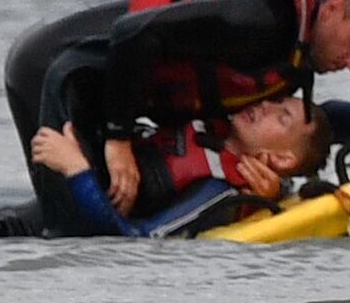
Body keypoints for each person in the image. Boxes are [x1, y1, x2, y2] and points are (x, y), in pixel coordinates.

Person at [16, 0, 350, 223]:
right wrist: (117, 140)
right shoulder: (261, 20)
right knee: (72, 226)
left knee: (99, 198)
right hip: (55, 68)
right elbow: (133, 33)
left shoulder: (292, 54)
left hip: (94, 88)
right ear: (334, 8)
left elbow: (311, 127)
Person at [31, 95, 333, 237]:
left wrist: (75, 169)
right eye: (276, 100)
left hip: (71, 213)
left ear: (282, 159)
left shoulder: (219, 192)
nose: (266, 106)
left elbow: (135, 241)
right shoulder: (210, 117)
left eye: (282, 118)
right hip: (40, 208)